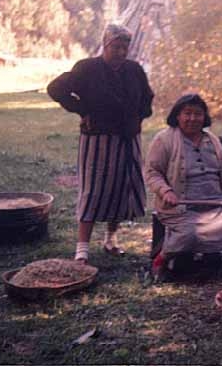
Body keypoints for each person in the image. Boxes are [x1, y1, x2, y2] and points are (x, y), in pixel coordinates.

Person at [47, 24, 154, 263]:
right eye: (116, 46)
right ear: (105, 45)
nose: (120, 52)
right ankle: (82, 248)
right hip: (98, 140)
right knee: (93, 190)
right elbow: (55, 88)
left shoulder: (134, 70)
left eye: (125, 47)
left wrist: (137, 117)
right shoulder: (87, 68)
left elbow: (147, 98)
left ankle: (110, 239)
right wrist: (82, 110)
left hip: (127, 139)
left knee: (120, 188)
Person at [145, 94, 222, 284]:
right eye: (187, 113)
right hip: (181, 208)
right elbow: (152, 173)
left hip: (217, 204)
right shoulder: (164, 140)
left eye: (198, 114)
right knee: (190, 234)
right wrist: (165, 191)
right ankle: (160, 261)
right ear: (177, 115)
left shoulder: (212, 140)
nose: (192, 118)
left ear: (204, 117)